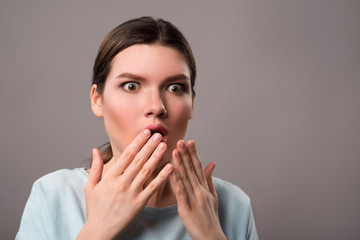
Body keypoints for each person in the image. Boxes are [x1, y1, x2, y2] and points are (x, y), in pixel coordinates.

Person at [16, 17, 258, 240]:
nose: (157, 107)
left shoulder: (233, 205)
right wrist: (96, 231)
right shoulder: (53, 196)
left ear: (192, 103)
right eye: (131, 86)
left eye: (175, 88)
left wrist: (211, 235)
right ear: (97, 100)